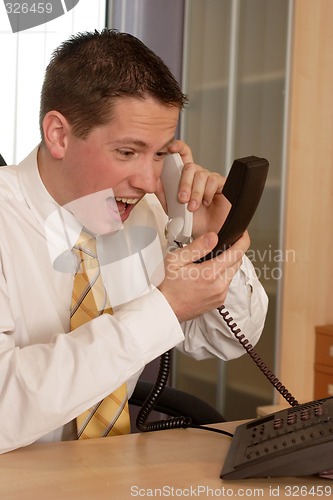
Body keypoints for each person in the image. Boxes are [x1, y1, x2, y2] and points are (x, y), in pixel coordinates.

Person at [0, 29, 268, 454]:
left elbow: (230, 340)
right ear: (58, 135)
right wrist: (162, 309)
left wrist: (209, 238)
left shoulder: (148, 215)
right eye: (127, 152)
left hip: (113, 475)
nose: (147, 182)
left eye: (160, 154)